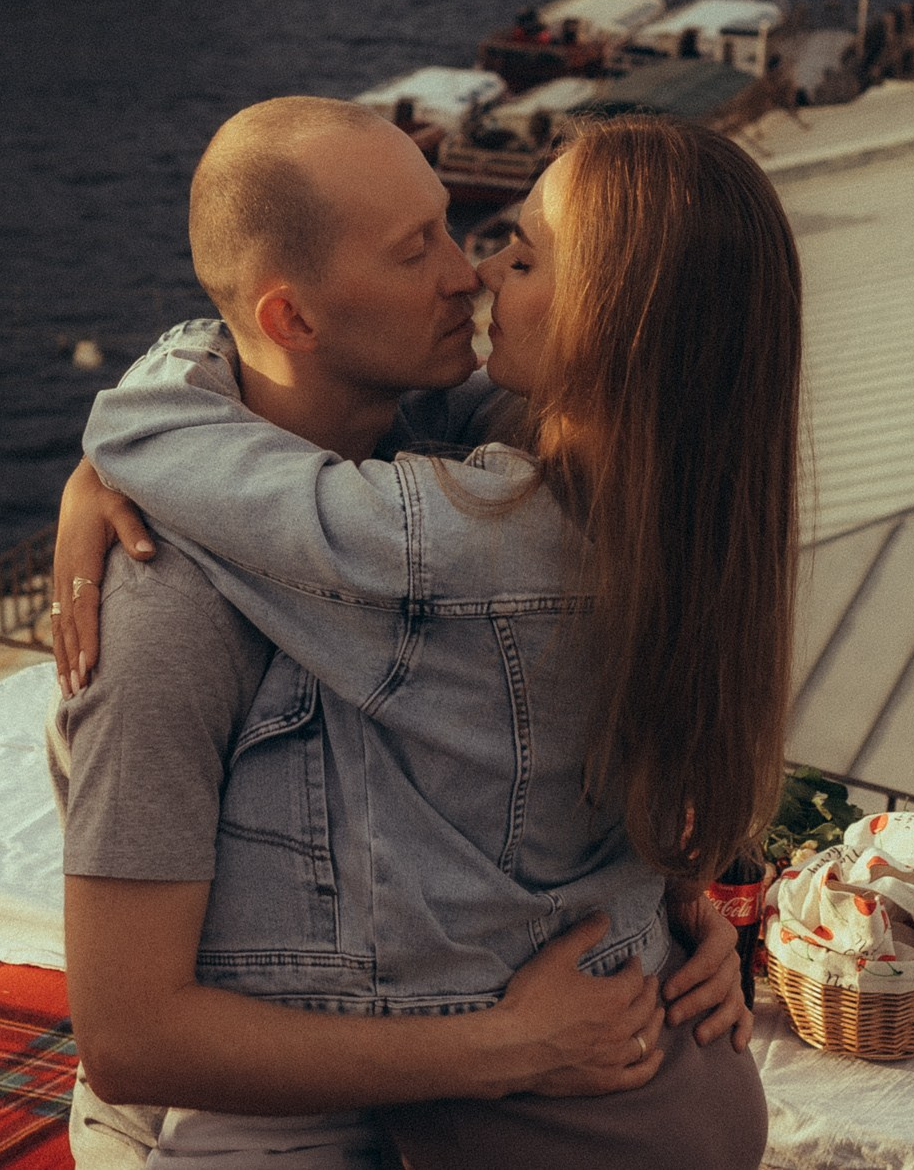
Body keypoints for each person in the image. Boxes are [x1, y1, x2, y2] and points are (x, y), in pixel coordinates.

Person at [51, 98, 801, 1168]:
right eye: (422, 248)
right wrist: (518, 1037)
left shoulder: (470, 505)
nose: (470, 272)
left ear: (607, 329)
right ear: (295, 318)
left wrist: (665, 911)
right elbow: (129, 1036)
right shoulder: (170, 599)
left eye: (497, 245)